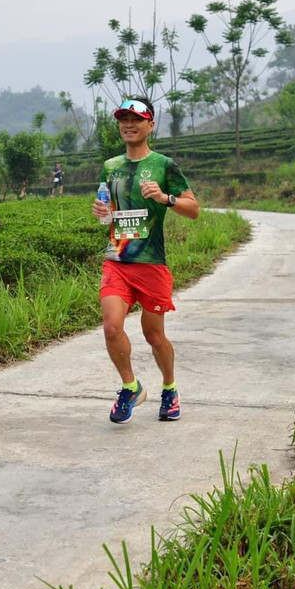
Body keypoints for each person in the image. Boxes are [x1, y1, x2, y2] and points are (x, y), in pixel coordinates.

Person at [91, 97, 199, 424]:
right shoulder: (111, 167)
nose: (129, 124)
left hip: (152, 263)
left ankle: (169, 387)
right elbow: (104, 208)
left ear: (151, 124)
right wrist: (100, 213)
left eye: (136, 119)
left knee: (154, 336)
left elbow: (193, 209)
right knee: (111, 326)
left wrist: (165, 198)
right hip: (117, 261)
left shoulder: (164, 165)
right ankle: (130, 386)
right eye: (123, 119)